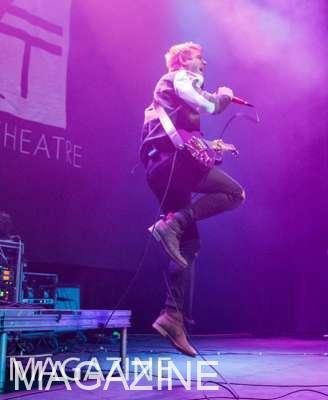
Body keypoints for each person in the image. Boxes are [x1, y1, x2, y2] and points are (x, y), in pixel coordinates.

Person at [140, 42, 246, 356]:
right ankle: (172, 224)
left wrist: (212, 145)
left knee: (188, 246)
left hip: (162, 167)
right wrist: (222, 98)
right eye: (200, 57)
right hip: (173, 164)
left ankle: (172, 315)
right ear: (184, 60)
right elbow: (202, 102)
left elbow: (179, 134)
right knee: (235, 193)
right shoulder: (178, 77)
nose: (205, 63)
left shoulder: (166, 96)